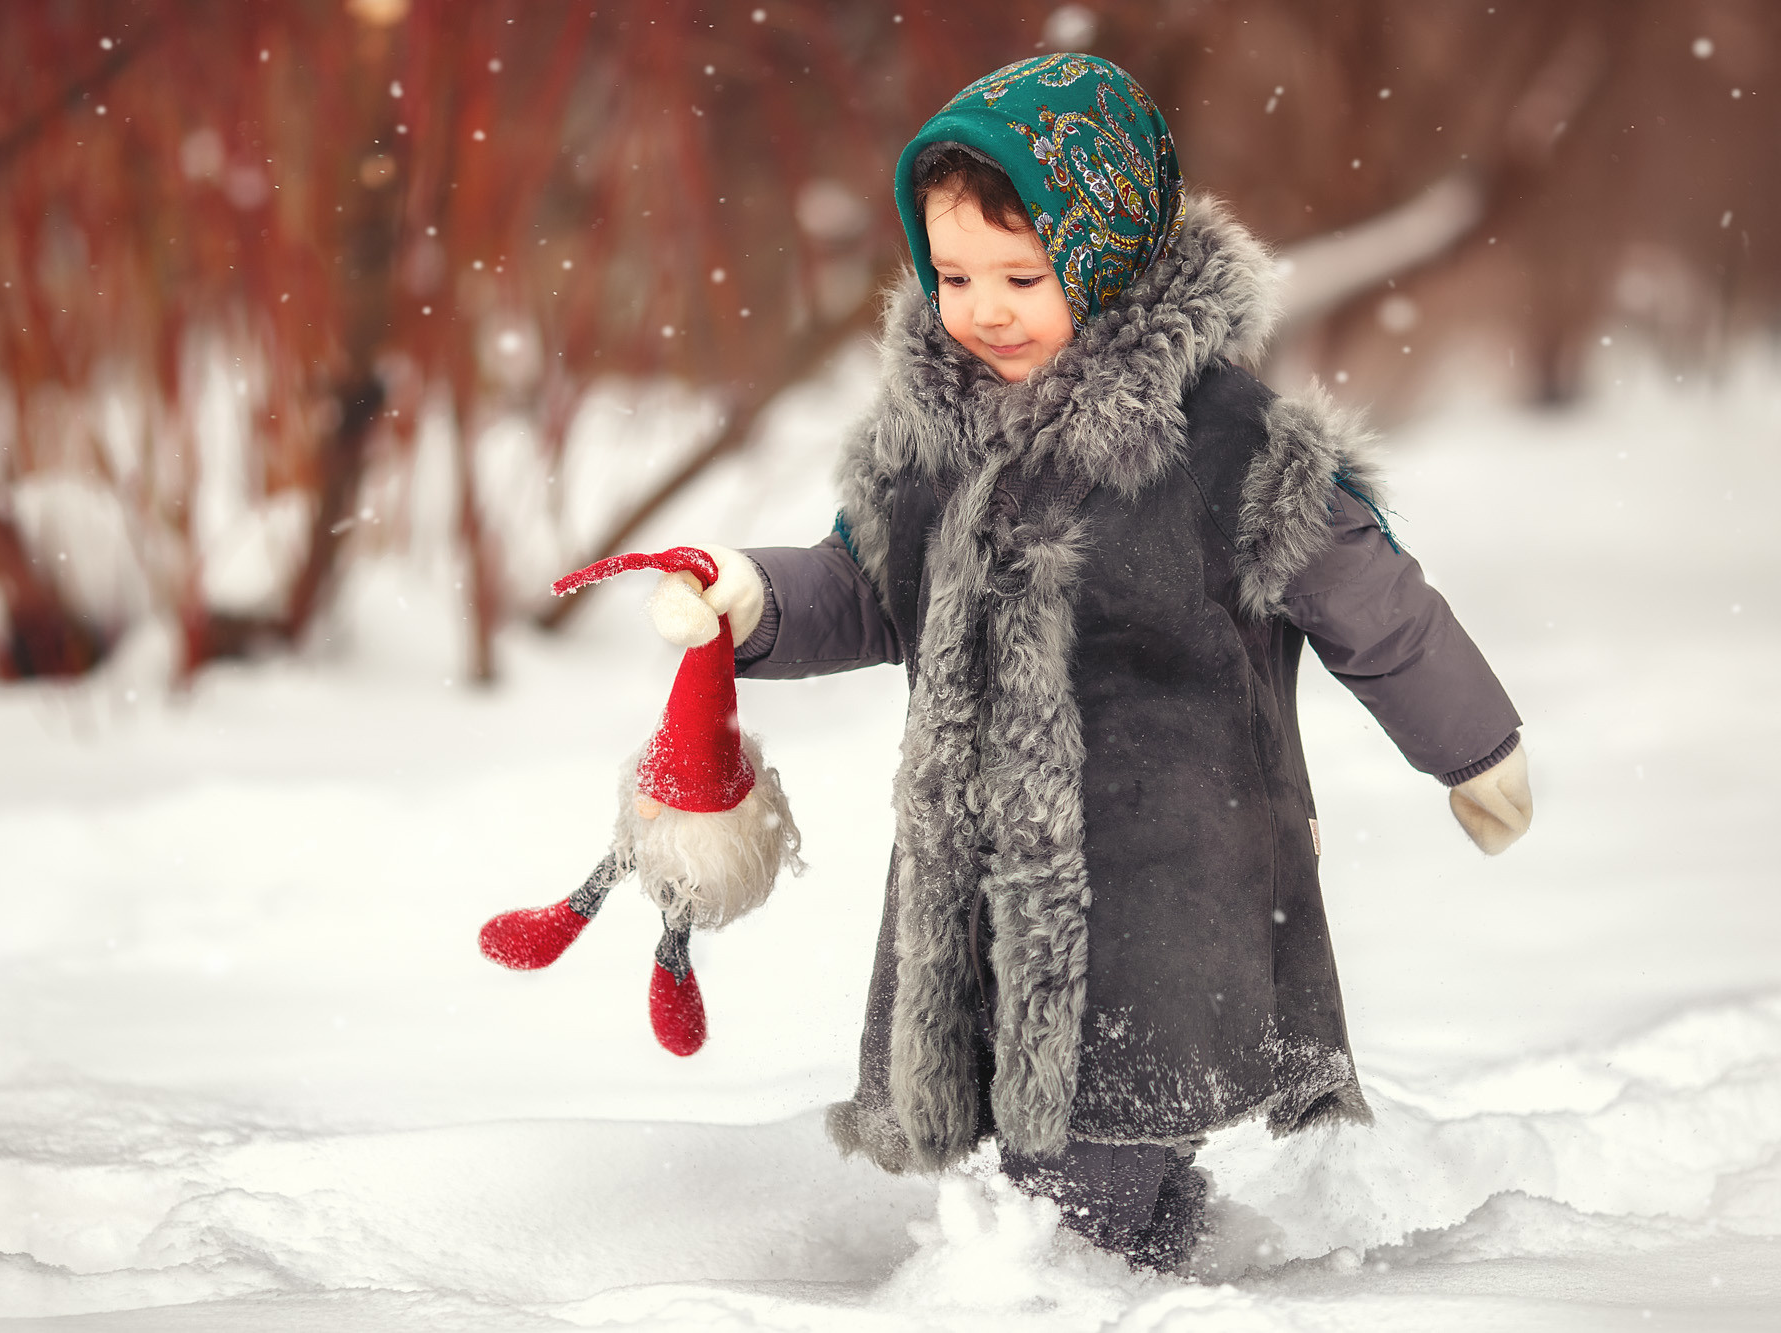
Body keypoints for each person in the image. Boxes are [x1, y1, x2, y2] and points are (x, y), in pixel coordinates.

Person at [646, 53, 1532, 1270]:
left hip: (1165, 870)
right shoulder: (932, 438)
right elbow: (863, 586)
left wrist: (1468, 743)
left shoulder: (1221, 441)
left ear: (1108, 261)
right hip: (976, 872)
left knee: (1090, 1140)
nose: (984, 309)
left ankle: (1059, 1280)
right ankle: (1147, 1264)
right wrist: (752, 599)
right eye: (953, 275)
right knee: (1041, 1125)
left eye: (1022, 275)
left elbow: (1365, 594)